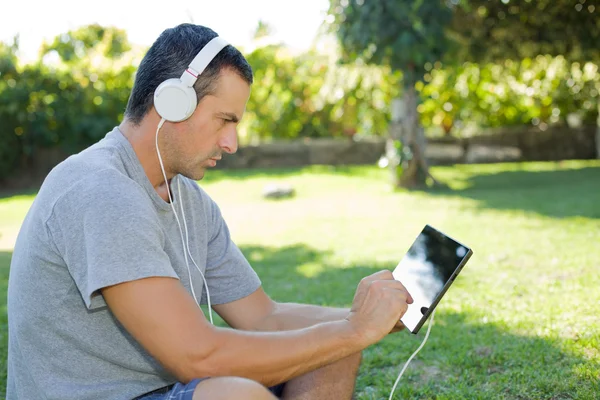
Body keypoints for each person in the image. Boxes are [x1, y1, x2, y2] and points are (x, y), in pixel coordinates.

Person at [6, 23, 413, 400]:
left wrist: (365, 319)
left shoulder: (191, 202)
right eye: (225, 120)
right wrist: (352, 330)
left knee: (333, 349)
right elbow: (198, 357)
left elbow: (263, 317)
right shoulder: (99, 190)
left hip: (163, 389)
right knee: (237, 395)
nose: (233, 142)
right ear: (173, 102)